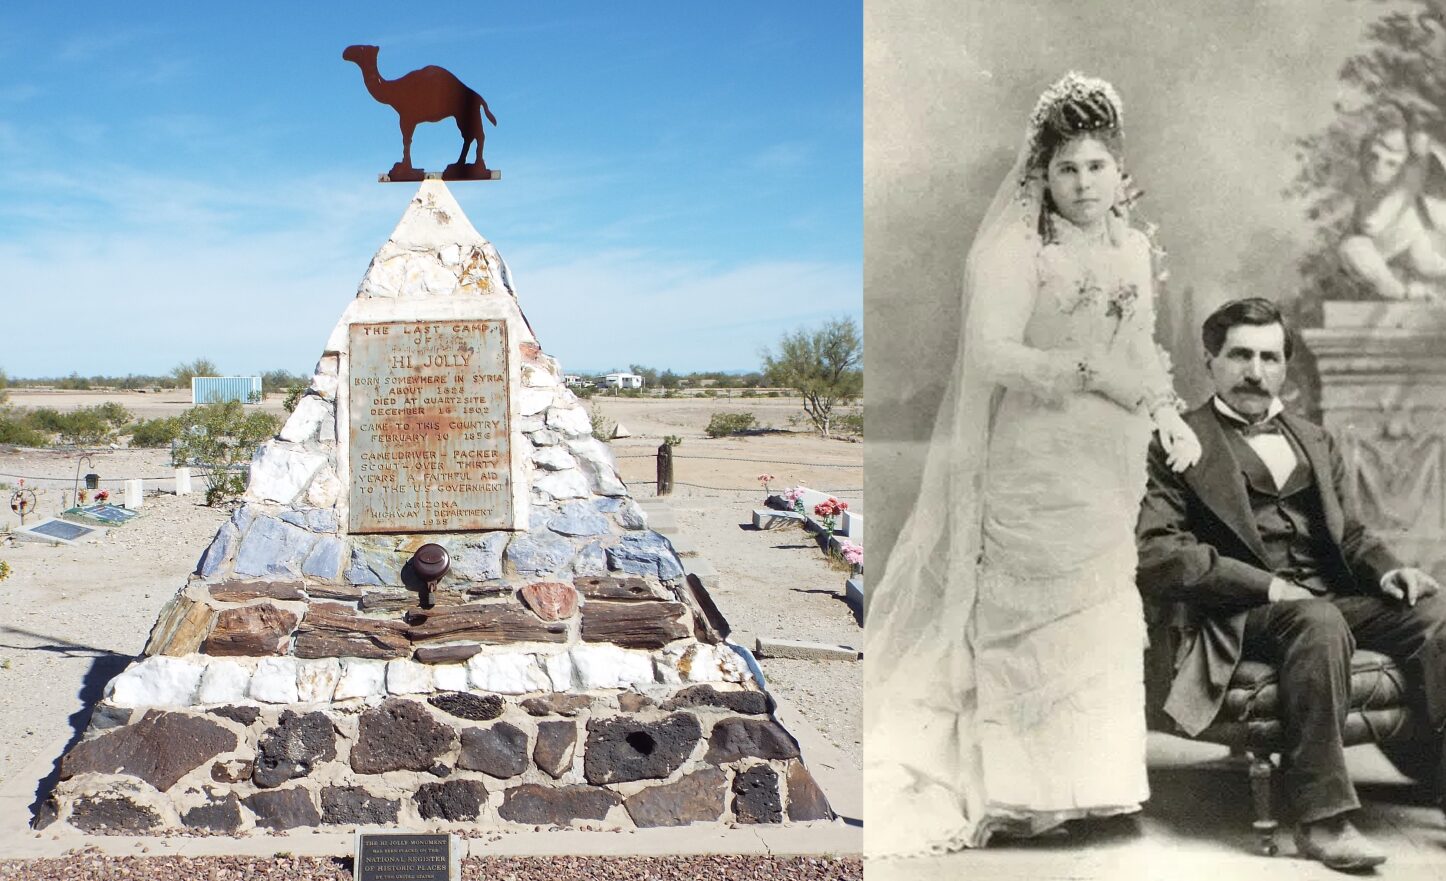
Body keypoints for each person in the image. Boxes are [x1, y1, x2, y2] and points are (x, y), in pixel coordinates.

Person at [864, 72, 1201, 857]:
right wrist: (1083, 372)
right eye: (1066, 170)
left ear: (1120, 172)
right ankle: (1027, 791)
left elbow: (1140, 349)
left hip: (1106, 460)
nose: (1084, 185)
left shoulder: (1132, 247)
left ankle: (1095, 787)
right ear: (1043, 177)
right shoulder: (1021, 248)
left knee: (1096, 612)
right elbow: (991, 352)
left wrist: (1167, 413)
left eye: (1096, 167)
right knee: (1033, 612)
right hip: (1034, 452)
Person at [1135, 297, 1446, 872]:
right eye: (1240, 356)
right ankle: (1322, 820)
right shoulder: (1177, 440)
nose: (1256, 372)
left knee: (1434, 611)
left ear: (1285, 366)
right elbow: (1159, 553)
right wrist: (1267, 587)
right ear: (1210, 362)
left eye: (1270, 358)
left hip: (1321, 601)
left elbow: (1348, 533)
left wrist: (1389, 571)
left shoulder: (1313, 438)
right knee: (1317, 618)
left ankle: (1438, 777)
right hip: (1236, 615)